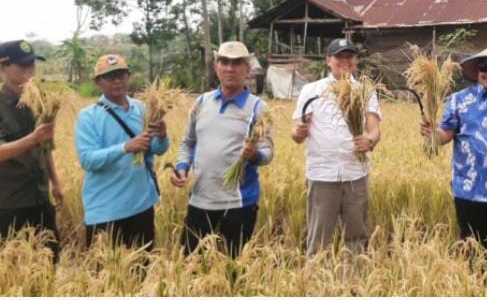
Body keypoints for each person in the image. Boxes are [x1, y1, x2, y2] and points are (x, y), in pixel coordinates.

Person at [420, 46, 487, 259]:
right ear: (477, 71)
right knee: (469, 248)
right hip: (468, 190)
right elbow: (446, 133)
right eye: (484, 68)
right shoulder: (460, 100)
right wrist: (432, 134)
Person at [172, 41, 274, 257]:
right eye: (224, 62)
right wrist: (182, 167)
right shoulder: (201, 103)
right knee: (189, 267)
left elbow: (268, 153)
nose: (229, 68)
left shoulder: (258, 108)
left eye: (237, 63)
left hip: (239, 203)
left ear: (247, 69)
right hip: (200, 200)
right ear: (216, 67)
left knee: (233, 270)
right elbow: (187, 143)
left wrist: (255, 155)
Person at [291, 38, 381, 256]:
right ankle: (315, 284)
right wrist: (299, 131)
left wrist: (368, 141)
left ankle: (354, 284)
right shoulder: (312, 91)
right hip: (322, 175)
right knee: (319, 237)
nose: (344, 60)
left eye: (349, 56)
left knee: (357, 238)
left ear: (356, 61)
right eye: (338, 56)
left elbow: (375, 129)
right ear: (328, 61)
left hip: (355, 174)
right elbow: (296, 132)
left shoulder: (365, 90)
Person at [75, 54, 169, 250]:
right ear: (98, 82)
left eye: (121, 75)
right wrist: (125, 147)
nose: (117, 81)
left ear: (129, 76)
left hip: (141, 205)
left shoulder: (142, 108)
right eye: (110, 77)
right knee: (105, 276)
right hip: (105, 210)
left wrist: (161, 136)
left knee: (142, 271)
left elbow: (157, 150)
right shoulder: (88, 117)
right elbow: (88, 160)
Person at [0, 40, 61, 262]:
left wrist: (56, 183)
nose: (29, 71)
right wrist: (32, 138)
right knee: (16, 269)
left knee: (50, 262)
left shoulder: (39, 102)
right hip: (10, 204)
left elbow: (46, 147)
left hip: (41, 199)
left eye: (32, 65)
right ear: (2, 68)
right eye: (22, 65)